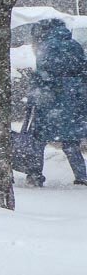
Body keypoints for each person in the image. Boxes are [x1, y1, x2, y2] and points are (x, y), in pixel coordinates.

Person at [26, 18, 87, 187]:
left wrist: (33, 93)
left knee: (38, 140)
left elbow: (42, 77)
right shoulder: (75, 45)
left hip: (51, 101)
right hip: (73, 101)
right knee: (71, 142)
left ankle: (35, 174)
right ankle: (82, 176)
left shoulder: (47, 47)